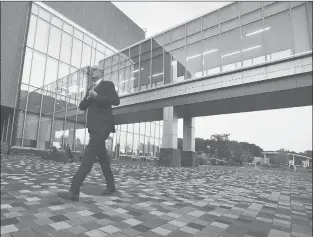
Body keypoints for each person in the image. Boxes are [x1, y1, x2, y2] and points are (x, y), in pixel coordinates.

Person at [58, 66, 120, 201]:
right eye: (91, 71)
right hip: (94, 127)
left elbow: (116, 101)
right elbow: (82, 106)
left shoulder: (107, 85)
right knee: (103, 159)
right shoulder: (90, 89)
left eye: (95, 70)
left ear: (102, 73)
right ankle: (111, 186)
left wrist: (97, 96)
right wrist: (88, 97)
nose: (92, 72)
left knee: (88, 157)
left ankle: (74, 191)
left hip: (103, 127)